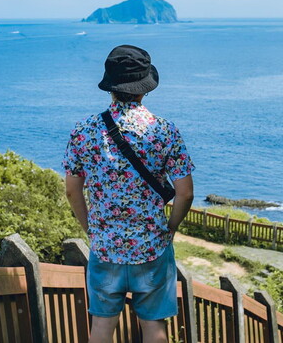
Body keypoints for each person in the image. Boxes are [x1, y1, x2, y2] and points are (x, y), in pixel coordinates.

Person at [63, 44, 195, 343]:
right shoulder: (165, 131)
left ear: (110, 87)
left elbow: (73, 191)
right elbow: (184, 194)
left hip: (105, 246)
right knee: (154, 329)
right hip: (152, 247)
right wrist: (169, 228)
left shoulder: (83, 131)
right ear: (144, 89)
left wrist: (92, 230)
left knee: (101, 327)